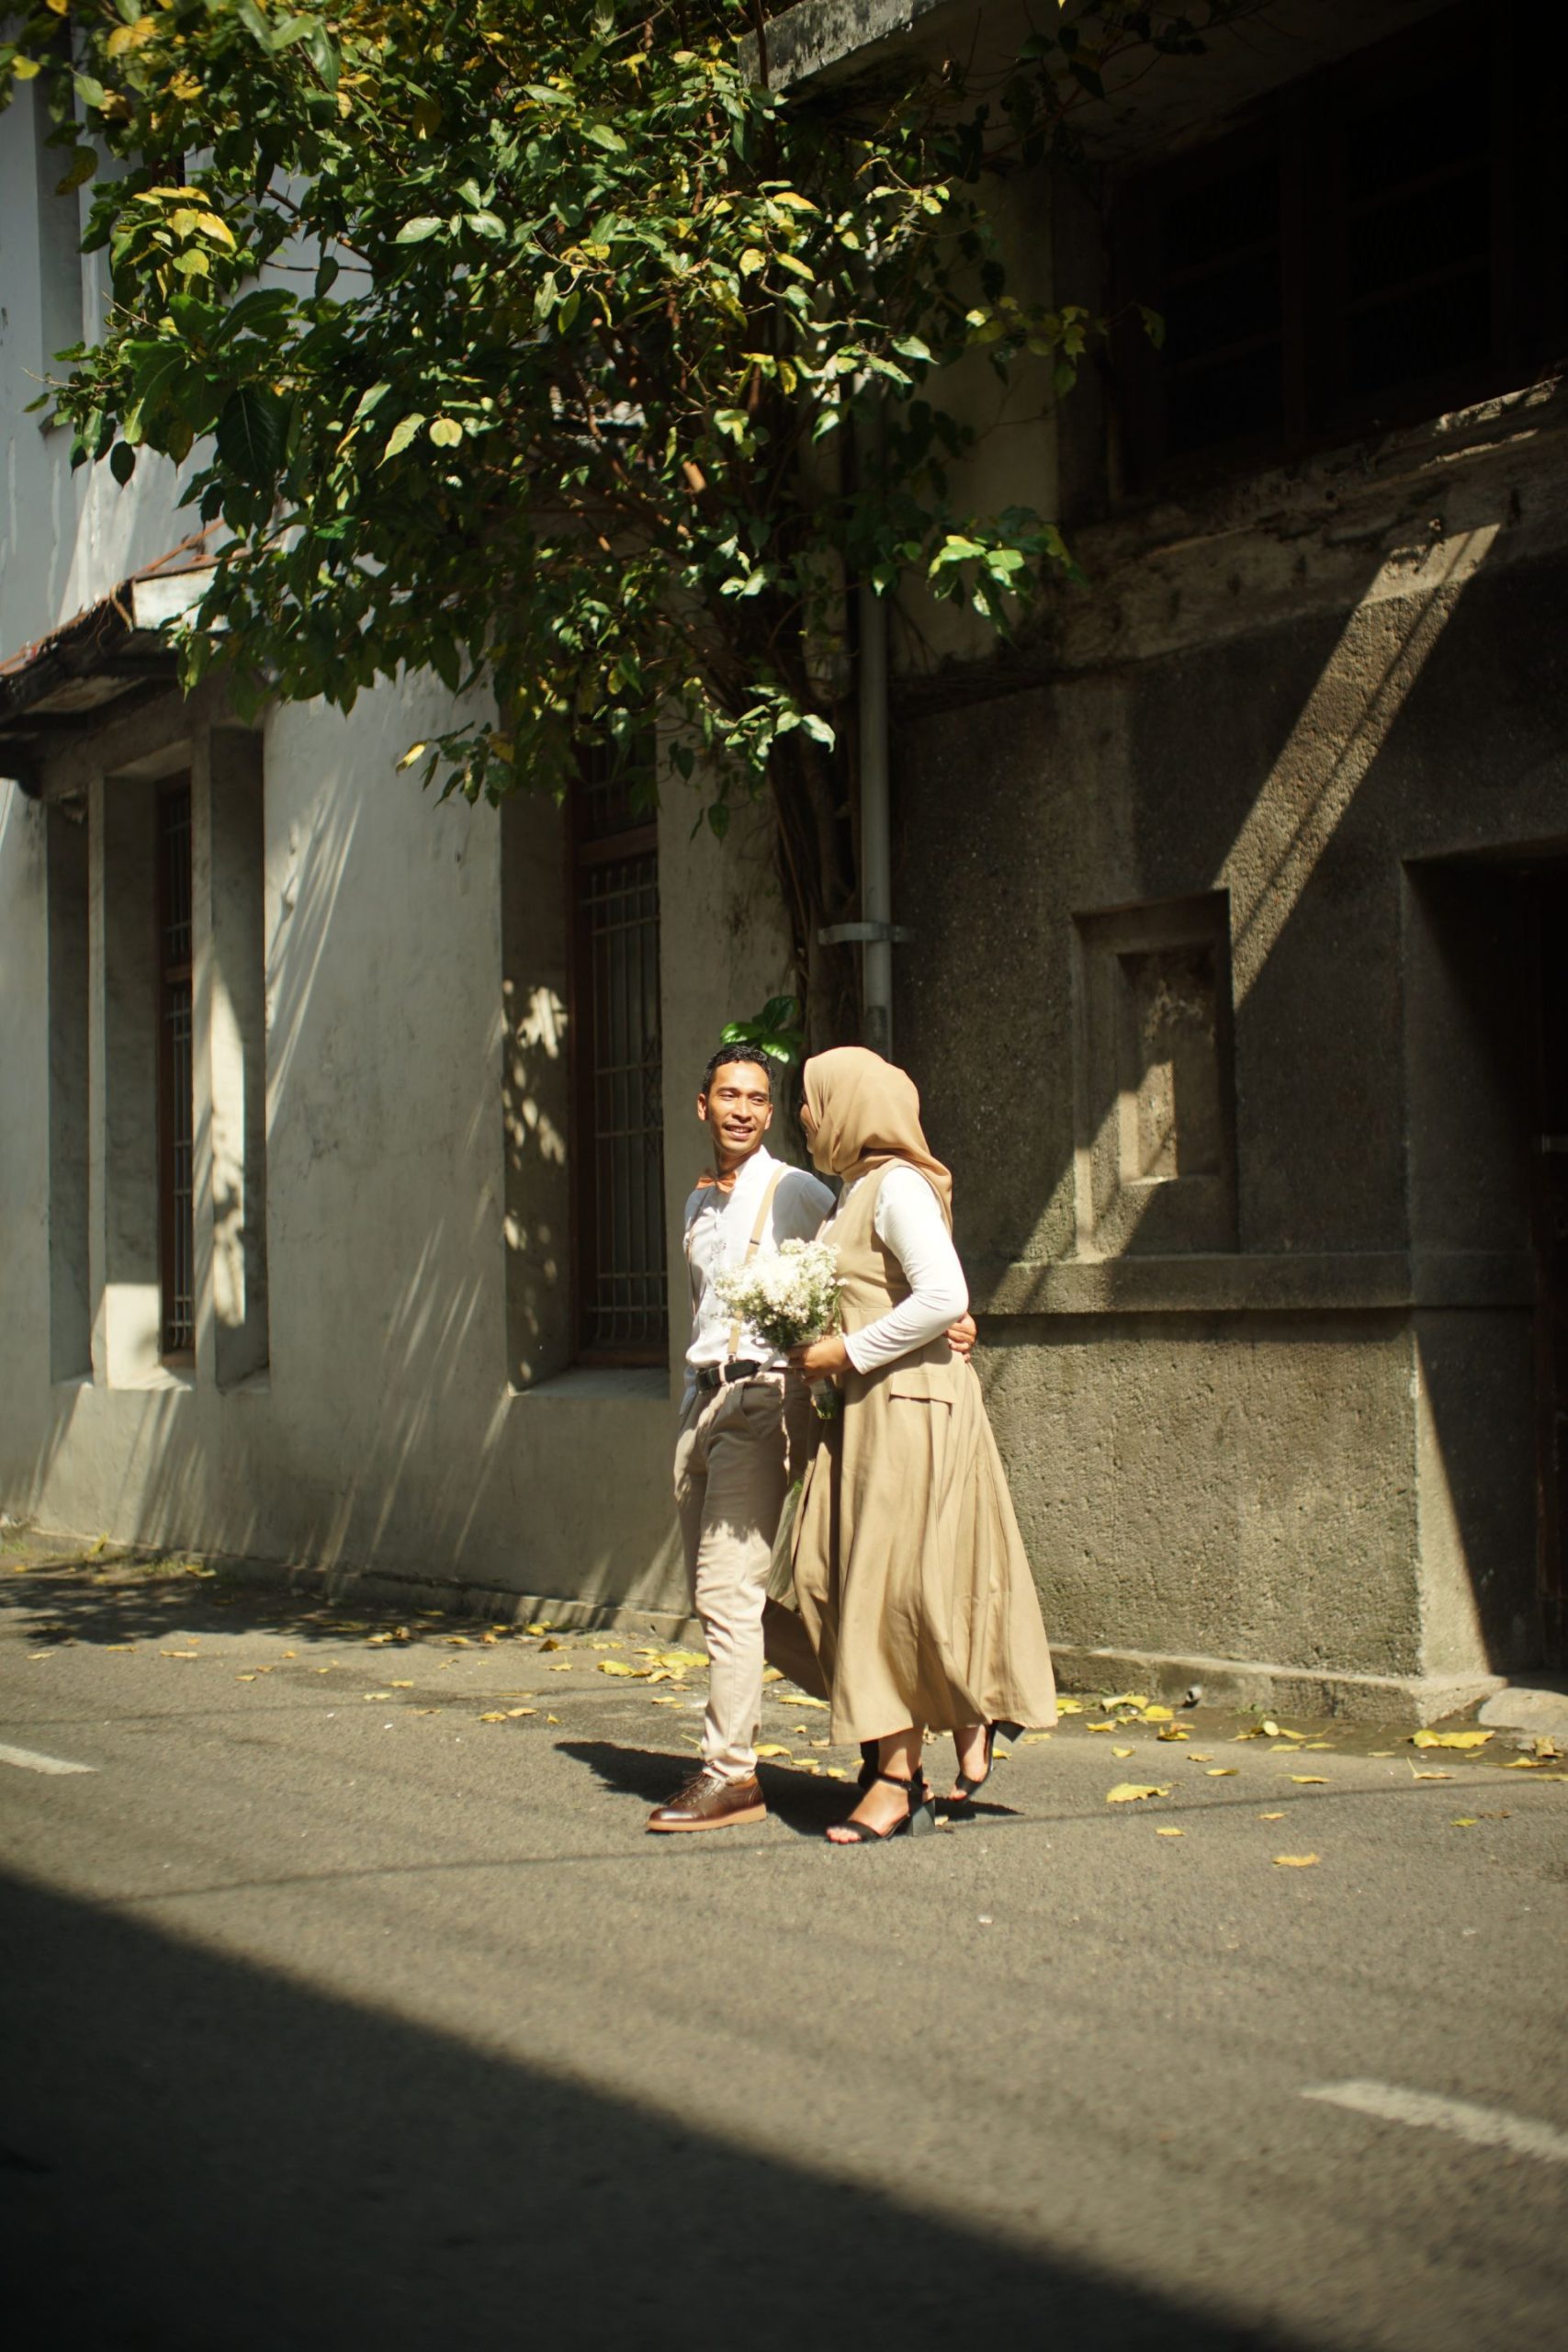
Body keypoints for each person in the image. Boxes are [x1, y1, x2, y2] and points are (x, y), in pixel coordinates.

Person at [785, 1046, 1057, 1844]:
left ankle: (895, 1780)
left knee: (883, 1591)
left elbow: (944, 1296)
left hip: (904, 1410)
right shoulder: (853, 1192)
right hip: (870, 1409)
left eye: (812, 1099)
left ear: (849, 1106)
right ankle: (966, 1708)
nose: (804, 1116)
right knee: (828, 1579)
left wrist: (845, 1351)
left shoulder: (895, 1186)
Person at [646, 1046, 835, 1833]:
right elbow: (703, 1309)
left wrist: (947, 1316)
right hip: (702, 1403)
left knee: (728, 1594)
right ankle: (887, 1702)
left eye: (757, 1099)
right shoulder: (698, 1204)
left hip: (764, 1399)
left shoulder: (796, 1190)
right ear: (703, 1105)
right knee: (725, 1598)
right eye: (729, 1095)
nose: (743, 1110)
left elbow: (862, 1262)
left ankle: (731, 1775)